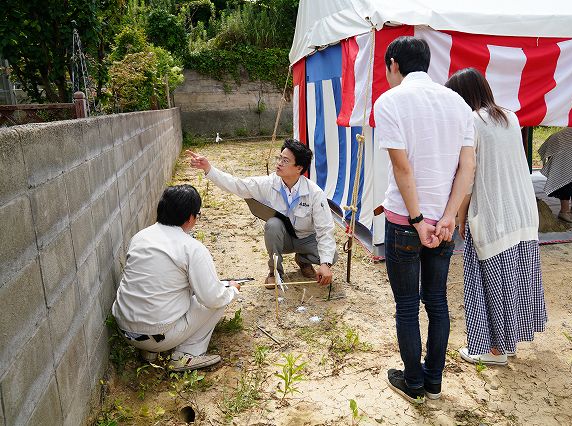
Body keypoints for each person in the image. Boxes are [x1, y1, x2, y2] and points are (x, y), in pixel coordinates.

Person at [375, 36, 476, 403]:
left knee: (406, 305)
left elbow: (402, 167)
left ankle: (413, 382)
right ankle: (434, 383)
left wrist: (418, 220)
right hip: (444, 223)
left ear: (393, 64)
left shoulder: (390, 101)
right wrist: (448, 217)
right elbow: (468, 167)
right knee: (436, 302)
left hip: (406, 221)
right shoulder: (460, 104)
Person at [445, 67, 547, 366]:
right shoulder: (509, 116)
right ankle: (508, 342)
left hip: (493, 212)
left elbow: (468, 177)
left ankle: (494, 351)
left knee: (487, 281)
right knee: (515, 278)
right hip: (521, 209)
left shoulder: (471, 122)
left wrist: (461, 217)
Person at [112, 185, 240, 371]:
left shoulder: (140, 237)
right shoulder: (192, 248)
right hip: (157, 335)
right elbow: (212, 297)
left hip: (125, 329)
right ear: (190, 217)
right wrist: (232, 290)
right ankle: (187, 355)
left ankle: (149, 352)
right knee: (217, 299)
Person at [187, 139, 338, 289]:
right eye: (279, 158)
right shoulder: (269, 183)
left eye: (285, 160)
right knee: (273, 224)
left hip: (305, 239)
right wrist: (208, 168)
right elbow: (237, 185)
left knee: (332, 256)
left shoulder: (314, 193)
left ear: (299, 168)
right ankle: (275, 273)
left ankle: (303, 259)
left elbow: (325, 230)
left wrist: (325, 264)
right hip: (281, 239)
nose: (279, 163)